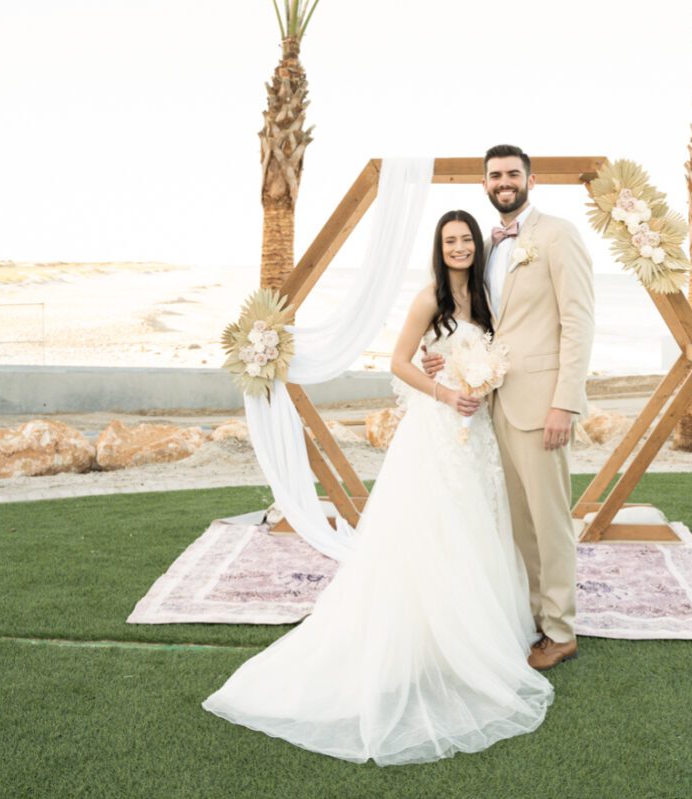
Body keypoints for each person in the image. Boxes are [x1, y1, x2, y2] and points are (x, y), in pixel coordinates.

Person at [201, 209, 553, 766]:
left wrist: (482, 383)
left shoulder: (486, 300)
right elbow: (398, 362)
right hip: (436, 428)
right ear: (439, 249)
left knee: (477, 523)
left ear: (476, 248)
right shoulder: (427, 298)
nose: (459, 247)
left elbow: (493, 357)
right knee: (429, 527)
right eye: (450, 241)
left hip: (476, 431)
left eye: (466, 240)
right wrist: (444, 392)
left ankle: (473, 632)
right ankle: (423, 638)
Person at [424, 144, 596, 671]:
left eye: (512, 174)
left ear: (531, 179)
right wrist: (443, 360)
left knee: (549, 522)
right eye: (495, 175)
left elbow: (578, 322)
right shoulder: (489, 246)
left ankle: (562, 631)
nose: (504, 182)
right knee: (519, 524)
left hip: (541, 403)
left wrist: (564, 403)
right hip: (494, 403)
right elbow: (482, 327)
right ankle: (535, 619)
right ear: (484, 184)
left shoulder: (557, 235)